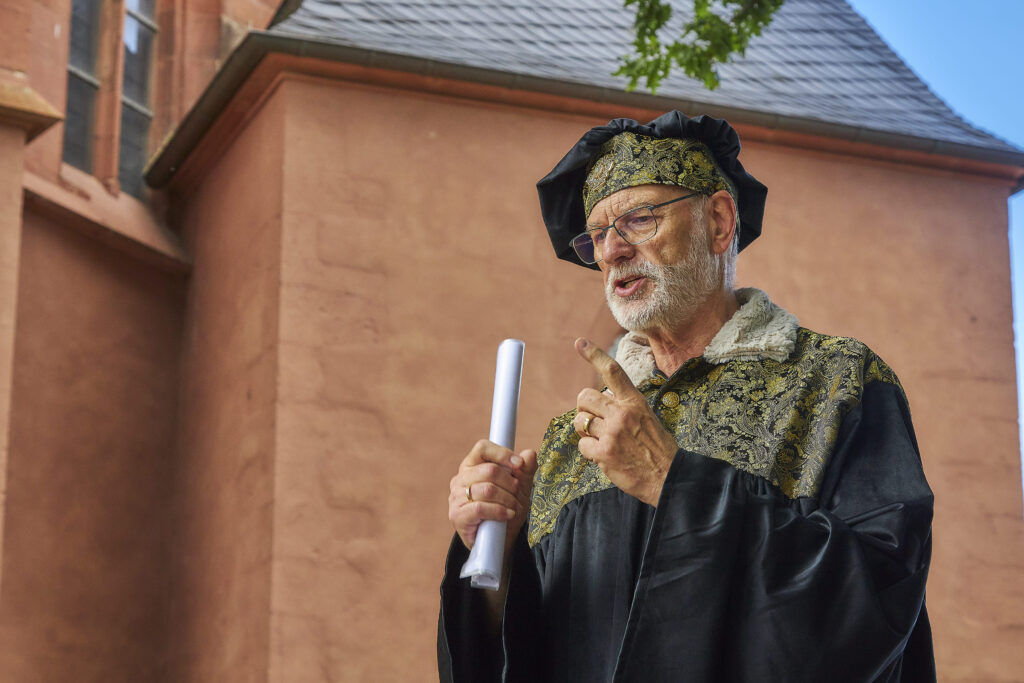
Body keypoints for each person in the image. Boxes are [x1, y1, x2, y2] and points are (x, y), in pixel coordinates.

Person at [438, 111, 935, 682]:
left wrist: (676, 483)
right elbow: (527, 654)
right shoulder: (569, 442)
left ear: (719, 222)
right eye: (597, 236)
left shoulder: (836, 383)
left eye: (638, 220)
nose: (611, 253)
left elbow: (878, 600)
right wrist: (495, 556)